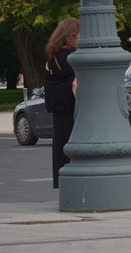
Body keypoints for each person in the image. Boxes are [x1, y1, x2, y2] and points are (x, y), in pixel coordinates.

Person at [44, 18, 79, 188]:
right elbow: (75, 83)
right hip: (71, 105)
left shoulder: (53, 56)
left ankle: (61, 180)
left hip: (58, 106)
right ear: (72, 34)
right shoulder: (73, 56)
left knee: (60, 144)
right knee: (74, 142)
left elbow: (49, 78)